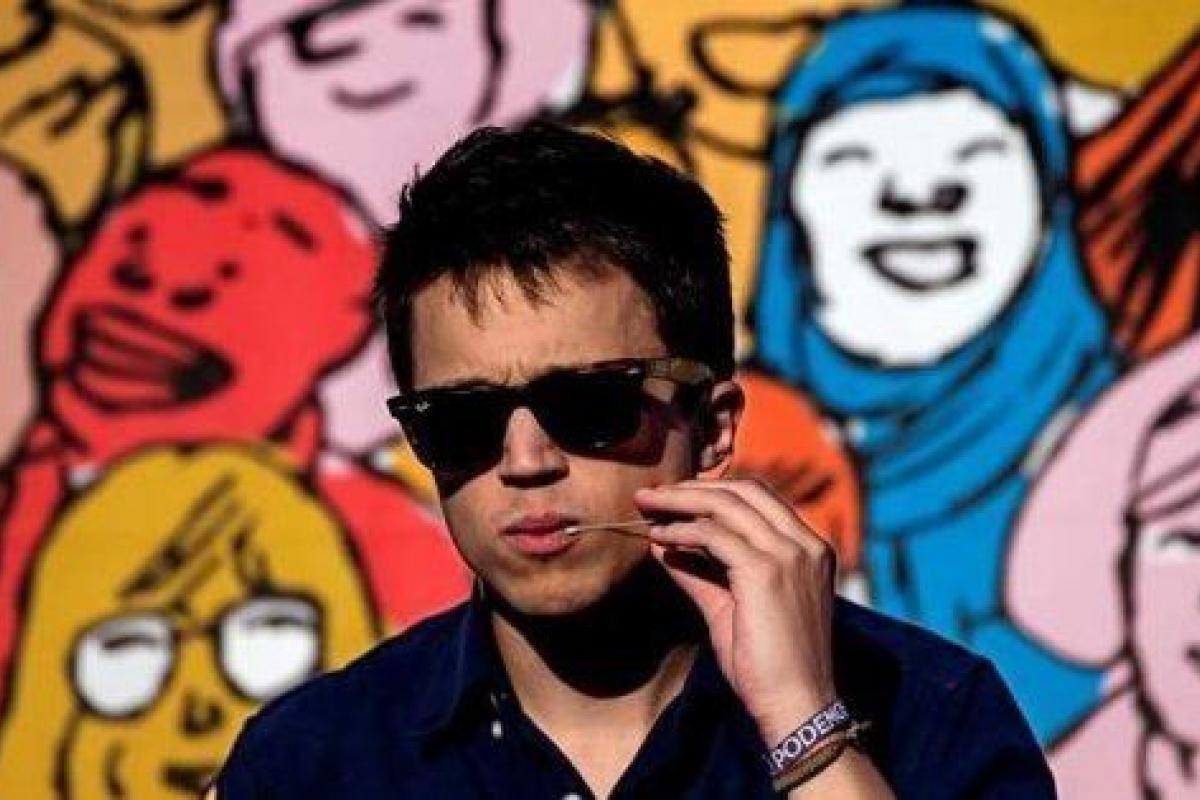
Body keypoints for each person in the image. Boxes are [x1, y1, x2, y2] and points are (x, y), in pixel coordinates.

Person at [213, 125, 1052, 798]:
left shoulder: (930, 713)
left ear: (713, 424)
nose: (525, 460)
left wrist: (807, 730)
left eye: (592, 405)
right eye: (463, 420)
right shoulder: (312, 762)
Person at [750, 6, 1117, 742]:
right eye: (854, 160)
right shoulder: (724, 451)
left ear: (1047, 201)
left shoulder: (1145, 450)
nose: (917, 196)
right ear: (791, 205)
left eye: (975, 158)